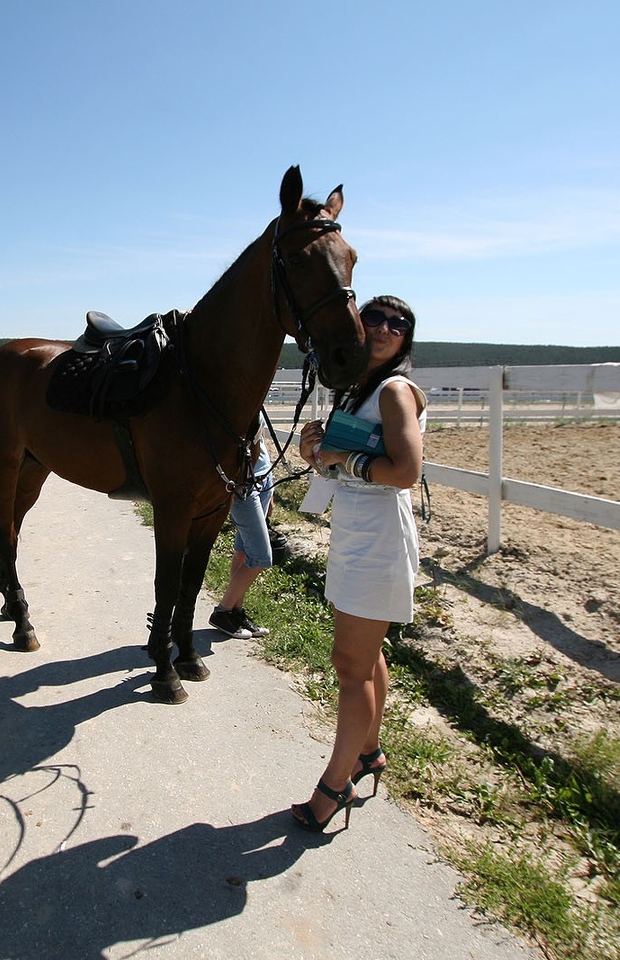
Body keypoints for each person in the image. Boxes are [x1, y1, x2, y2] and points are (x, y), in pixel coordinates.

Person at [290, 295, 427, 832]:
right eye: (375, 317)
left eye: (400, 324)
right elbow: (342, 470)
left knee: (350, 668)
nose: (387, 327)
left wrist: (345, 458)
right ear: (355, 325)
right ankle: (368, 753)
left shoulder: (393, 391)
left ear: (406, 340)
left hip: (378, 543)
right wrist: (316, 455)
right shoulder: (355, 390)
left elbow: (406, 472)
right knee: (363, 660)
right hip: (354, 534)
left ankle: (335, 785)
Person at [209, 420, 275, 639]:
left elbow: (259, 437)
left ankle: (236, 612)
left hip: (264, 478)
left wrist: (270, 490)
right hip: (243, 485)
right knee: (261, 557)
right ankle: (223, 611)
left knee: (243, 552)